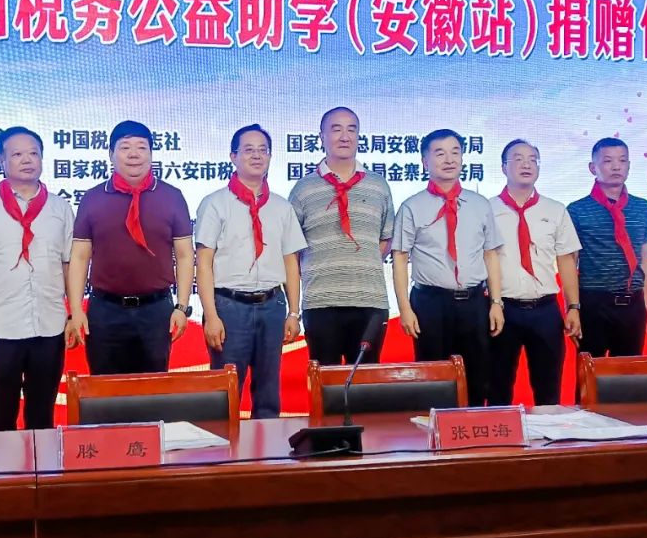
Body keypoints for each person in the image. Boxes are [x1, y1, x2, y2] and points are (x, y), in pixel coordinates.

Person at [0, 127, 73, 431]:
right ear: (2, 161)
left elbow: (68, 265)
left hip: (49, 327)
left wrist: (73, 314)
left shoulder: (60, 208)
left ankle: (42, 464)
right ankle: (3, 464)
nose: (27, 160)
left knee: (42, 417)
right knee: (0, 418)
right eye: (17, 154)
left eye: (33, 153)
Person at [65, 121, 194, 374]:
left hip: (156, 311)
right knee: (104, 389)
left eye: (141, 147)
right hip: (105, 311)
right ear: (111, 154)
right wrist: (76, 309)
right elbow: (79, 257)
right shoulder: (92, 198)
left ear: (151, 154)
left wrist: (181, 306)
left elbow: (185, 255)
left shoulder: (172, 196)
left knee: (152, 388)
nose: (133, 154)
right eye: (125, 147)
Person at [195, 125, 306, 418]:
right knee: (225, 393)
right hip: (229, 307)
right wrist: (211, 315)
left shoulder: (281, 207)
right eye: (248, 150)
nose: (257, 156)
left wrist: (294, 312)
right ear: (233, 156)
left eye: (263, 150)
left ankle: (268, 445)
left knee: (268, 393)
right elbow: (203, 263)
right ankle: (223, 447)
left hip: (272, 305)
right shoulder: (215, 204)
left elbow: (291, 262)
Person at [392, 129, 503, 405]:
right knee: (434, 380)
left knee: (478, 378)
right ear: (425, 161)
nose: (449, 159)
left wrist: (496, 302)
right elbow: (400, 258)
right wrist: (405, 308)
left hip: (474, 303)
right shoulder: (411, 206)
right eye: (440, 153)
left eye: (455, 152)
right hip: (430, 303)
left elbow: (490, 254)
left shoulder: (480, 205)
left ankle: (474, 429)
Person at [288, 107, 395, 366]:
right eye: (336, 129)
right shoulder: (303, 189)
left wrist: (359, 262)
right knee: (325, 381)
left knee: (366, 381)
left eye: (352, 129)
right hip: (320, 302)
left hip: (370, 300)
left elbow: (386, 238)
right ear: (322, 137)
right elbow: (291, 248)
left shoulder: (378, 185)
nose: (345, 136)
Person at [487, 139, 582, 406]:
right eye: (518, 159)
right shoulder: (487, 210)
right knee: (497, 387)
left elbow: (566, 260)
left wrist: (573, 307)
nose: (526, 164)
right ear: (503, 167)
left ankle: (549, 433)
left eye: (532, 159)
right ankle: (501, 432)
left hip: (545, 310)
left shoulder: (555, 210)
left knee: (549, 389)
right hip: (502, 309)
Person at [568, 137, 647, 357]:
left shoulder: (644, 208)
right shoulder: (577, 210)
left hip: (633, 304)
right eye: (608, 161)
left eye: (622, 161)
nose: (616, 167)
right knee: (591, 371)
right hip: (593, 303)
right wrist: (573, 308)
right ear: (592, 168)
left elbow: (644, 260)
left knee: (629, 373)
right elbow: (570, 264)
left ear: (629, 166)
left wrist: (644, 306)